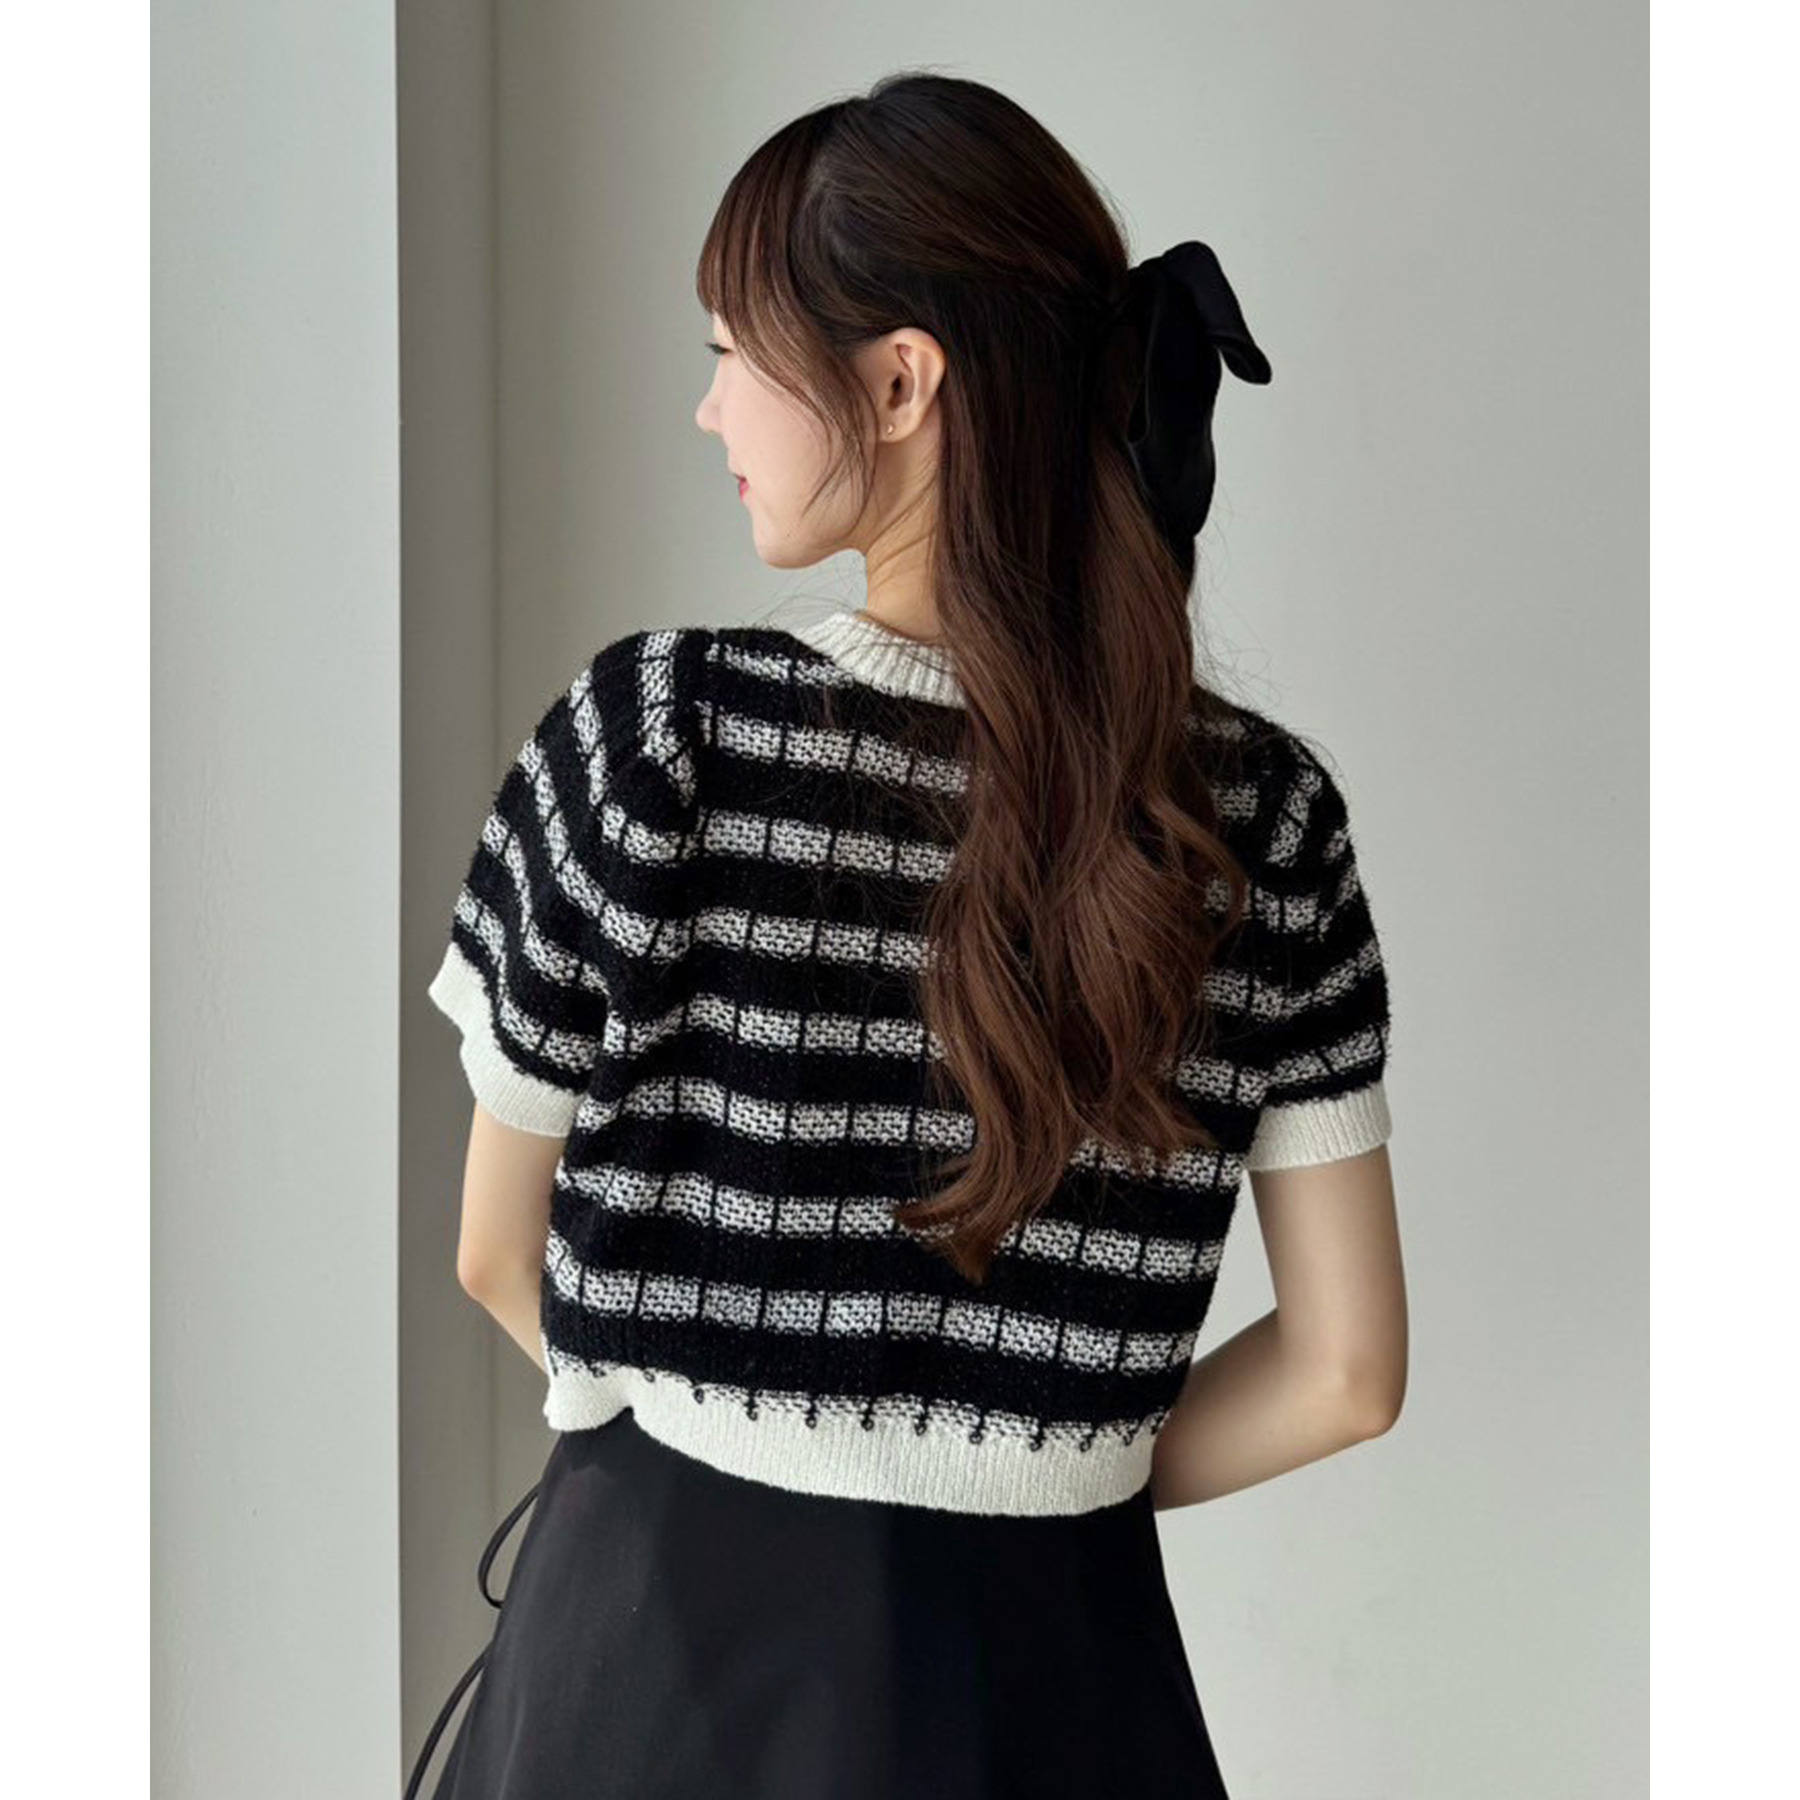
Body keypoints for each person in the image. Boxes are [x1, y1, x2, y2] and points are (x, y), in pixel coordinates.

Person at [409, 68, 1407, 1800]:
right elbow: (1346, 1372)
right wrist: (1043, 1469)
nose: (708, 407)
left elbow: (500, 1255)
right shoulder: (1262, 825)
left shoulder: (658, 743)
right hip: (1060, 1696)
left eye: (734, 350)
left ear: (897, 381)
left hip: (658, 1673)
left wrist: (744, 1445)